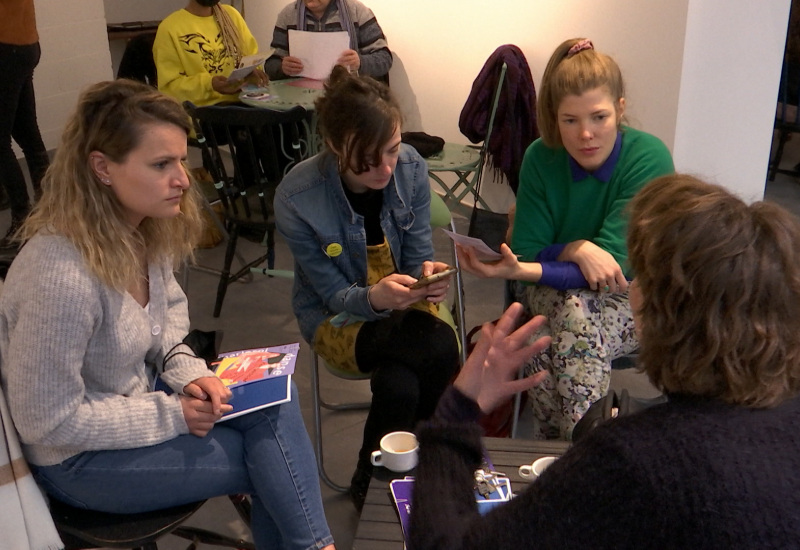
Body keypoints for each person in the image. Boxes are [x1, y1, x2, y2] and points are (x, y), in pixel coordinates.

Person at [0, 79, 335, 550]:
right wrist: (173, 412)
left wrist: (188, 372)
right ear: (102, 168)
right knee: (268, 461)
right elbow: (46, 420)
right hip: (77, 459)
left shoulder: (140, 230)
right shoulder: (60, 273)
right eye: (161, 164)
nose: (183, 178)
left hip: (138, 398)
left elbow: (169, 328)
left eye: (180, 158)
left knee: (274, 402)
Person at [409, 174, 800, 549]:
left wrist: (457, 412)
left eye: (640, 276)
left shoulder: (632, 462)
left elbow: (445, 544)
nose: (630, 290)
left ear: (660, 311)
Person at [457, 38, 674, 440]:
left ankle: (557, 456)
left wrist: (545, 258)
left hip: (632, 294)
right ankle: (583, 459)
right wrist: (576, 248)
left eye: (599, 117)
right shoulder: (541, 156)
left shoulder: (649, 158)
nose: (585, 134)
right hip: (551, 291)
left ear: (621, 110)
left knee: (547, 336)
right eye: (570, 120)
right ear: (554, 118)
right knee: (568, 317)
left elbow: (613, 267)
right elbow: (525, 250)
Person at [274, 65, 459, 512]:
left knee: (399, 385)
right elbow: (332, 294)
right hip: (336, 316)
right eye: (368, 158)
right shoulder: (297, 197)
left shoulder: (411, 167)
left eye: (393, 150)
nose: (386, 167)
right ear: (335, 146)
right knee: (440, 350)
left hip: (404, 306)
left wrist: (426, 277)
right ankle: (427, 462)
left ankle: (373, 475)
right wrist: (375, 299)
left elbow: (417, 257)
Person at [0, 0, 50, 248]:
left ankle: (22, 218)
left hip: (6, 47)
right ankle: (50, 208)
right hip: (25, 44)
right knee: (28, 133)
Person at [153, 0, 269, 107]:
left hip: (244, 105)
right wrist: (210, 85)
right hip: (204, 115)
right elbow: (170, 89)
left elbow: (252, 57)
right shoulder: (170, 28)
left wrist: (251, 72)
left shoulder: (232, 16)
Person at [265, 0, 392, 82]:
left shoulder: (357, 11)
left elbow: (385, 58)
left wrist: (360, 62)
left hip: (348, 99)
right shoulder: (288, 15)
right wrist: (282, 67)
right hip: (301, 102)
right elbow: (270, 64)